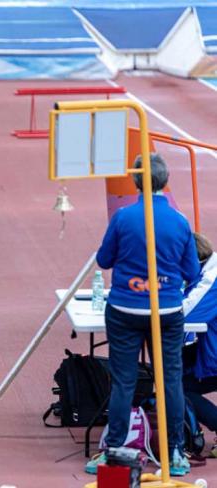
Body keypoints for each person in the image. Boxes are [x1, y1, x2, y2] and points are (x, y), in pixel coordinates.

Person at [85, 153, 201, 476]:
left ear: (136, 181)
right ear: (166, 182)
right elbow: (192, 272)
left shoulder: (123, 218)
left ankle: (115, 452)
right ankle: (175, 453)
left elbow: (104, 260)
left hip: (125, 309)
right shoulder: (179, 222)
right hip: (166, 312)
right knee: (170, 380)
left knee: (123, 382)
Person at [183, 232, 217, 458]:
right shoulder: (207, 272)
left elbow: (187, 315)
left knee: (173, 386)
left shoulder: (211, 279)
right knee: (171, 375)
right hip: (211, 349)